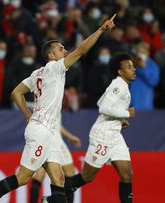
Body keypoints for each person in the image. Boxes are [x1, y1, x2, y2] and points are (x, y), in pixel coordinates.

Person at [0, 13, 116, 203]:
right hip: (41, 130)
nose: (65, 49)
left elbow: (16, 93)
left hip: (47, 131)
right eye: (60, 47)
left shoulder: (37, 73)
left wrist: (27, 115)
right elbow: (81, 51)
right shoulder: (55, 68)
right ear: (51, 55)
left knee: (59, 179)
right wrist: (101, 30)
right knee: (23, 177)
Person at [44, 52, 136, 203]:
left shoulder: (122, 85)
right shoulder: (118, 85)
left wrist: (119, 119)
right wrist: (126, 113)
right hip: (103, 135)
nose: (133, 69)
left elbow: (100, 102)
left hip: (115, 134)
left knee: (127, 175)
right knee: (87, 177)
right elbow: (104, 108)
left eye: (133, 66)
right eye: (129, 67)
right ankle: (50, 199)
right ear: (120, 71)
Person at [30, 121, 81, 203]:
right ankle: (48, 200)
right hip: (50, 138)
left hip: (47, 138)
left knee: (40, 174)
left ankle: (46, 200)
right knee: (69, 174)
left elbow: (56, 123)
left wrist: (70, 136)